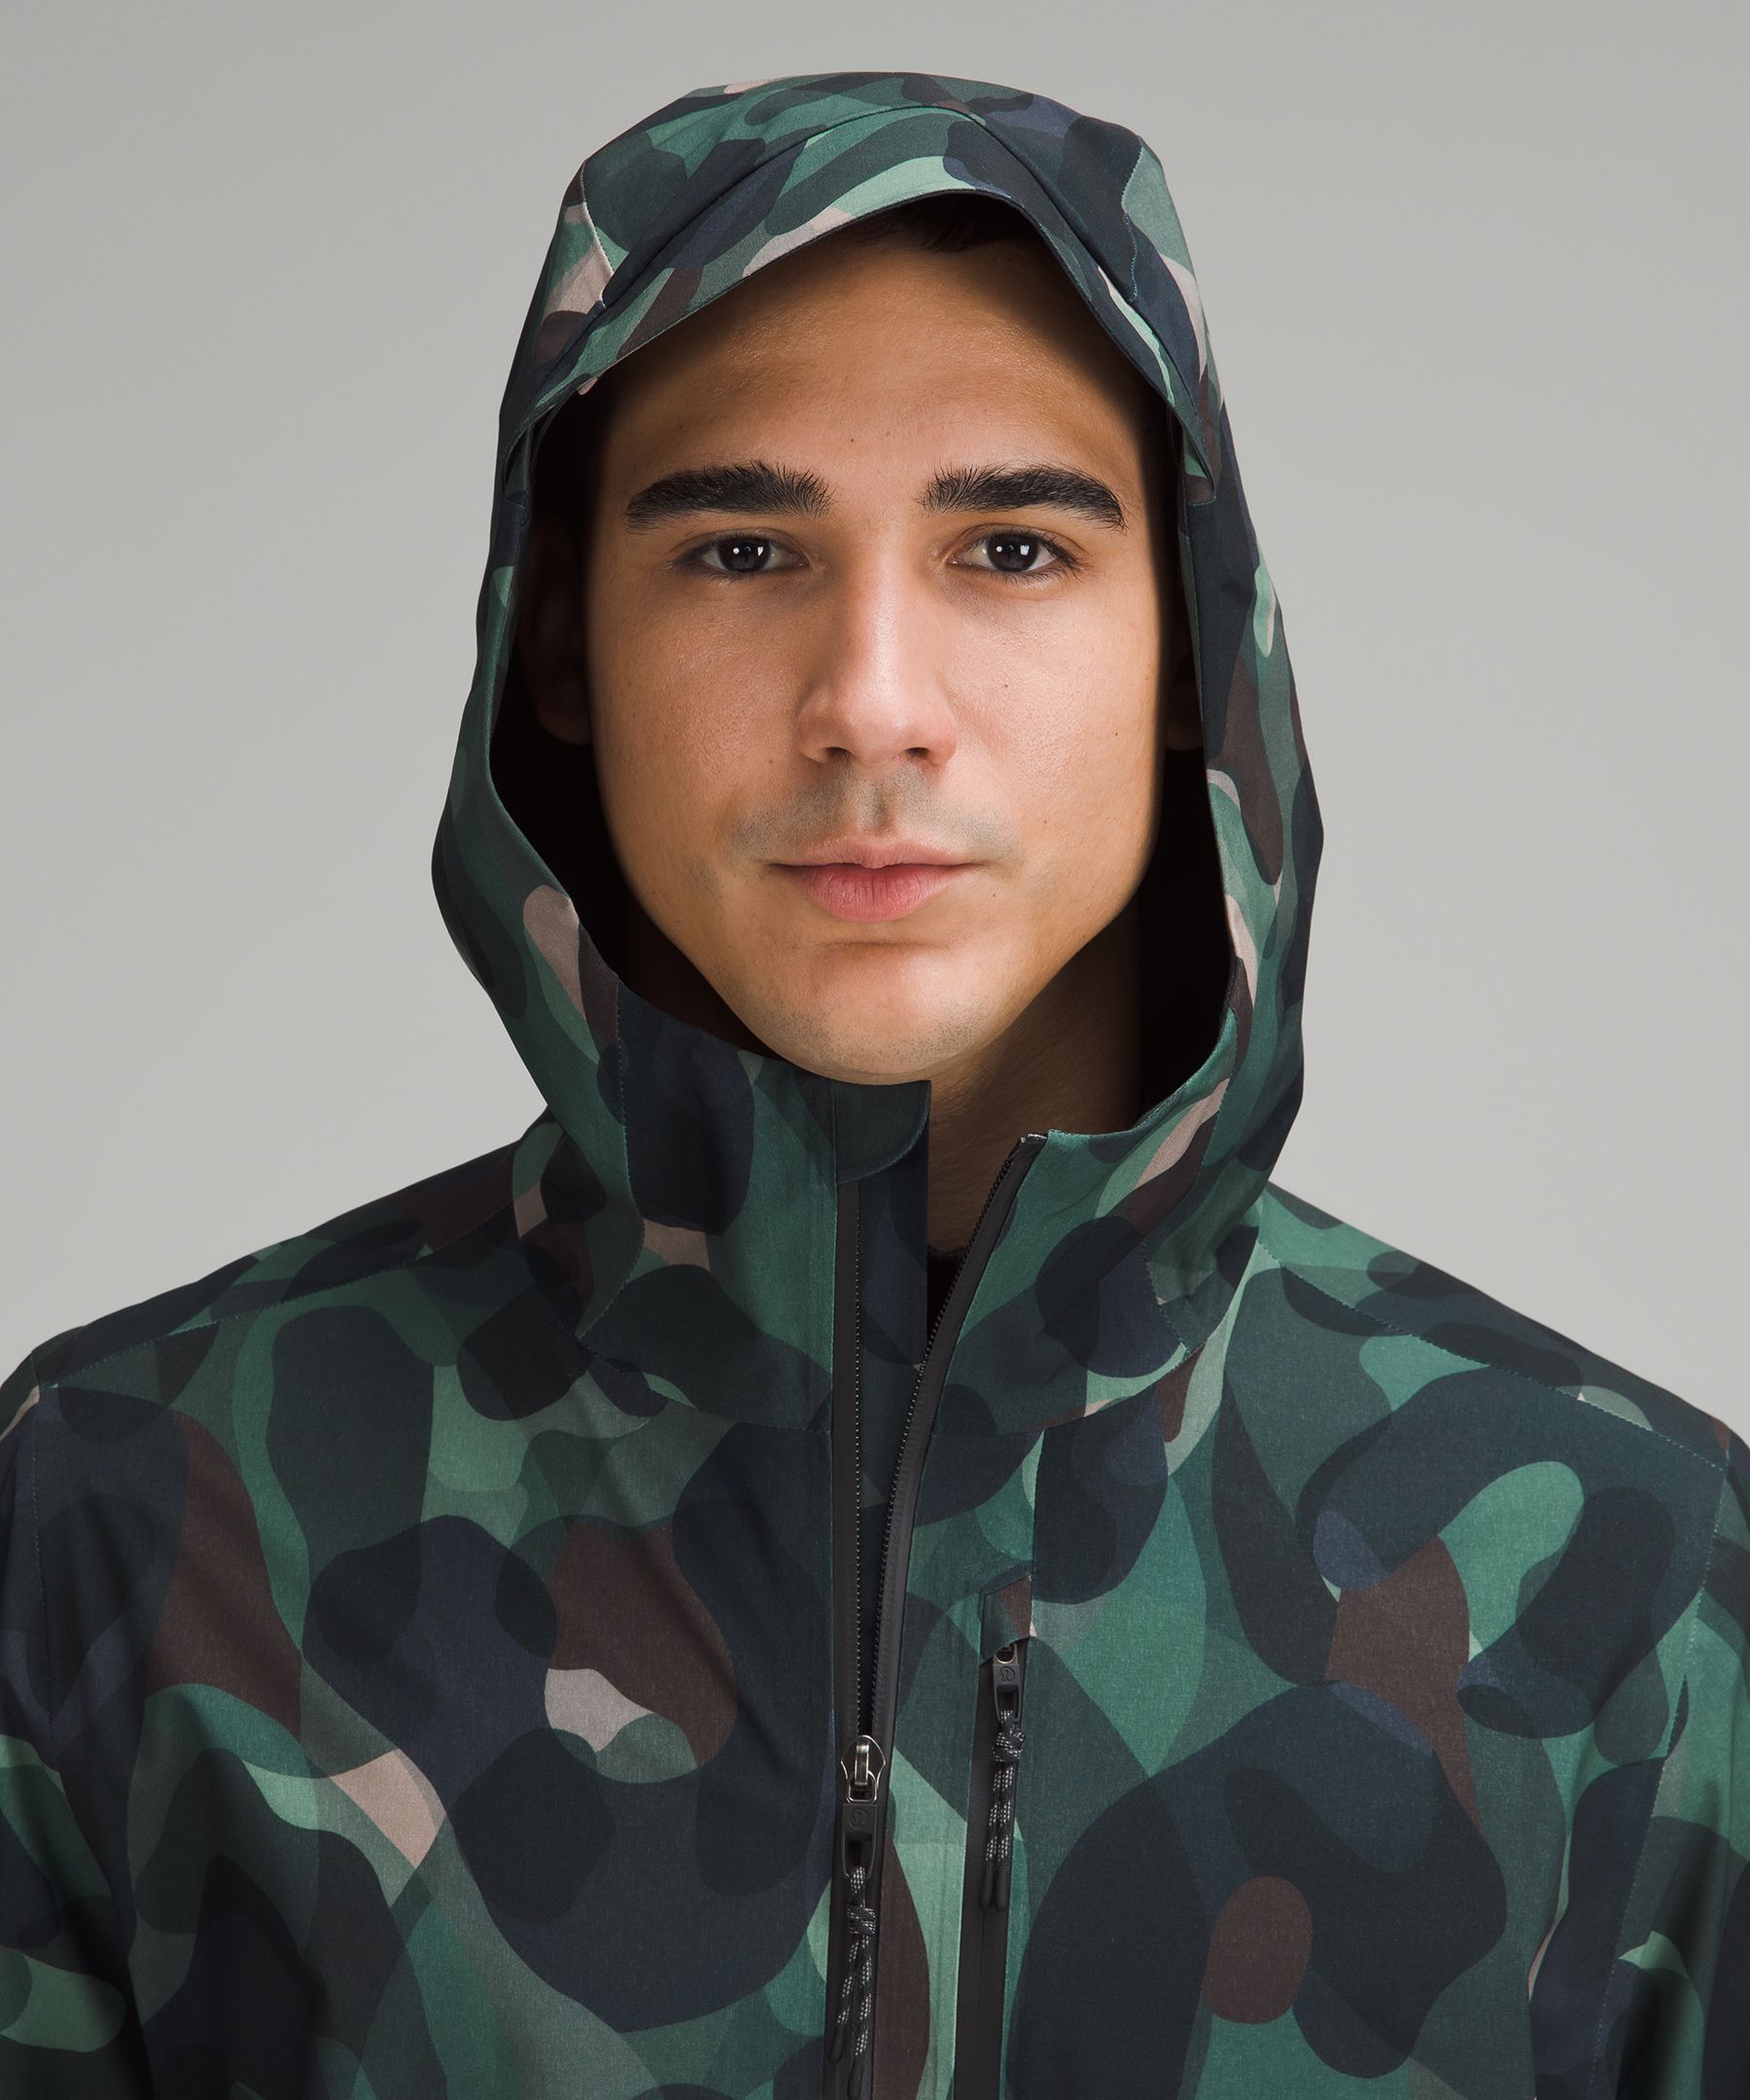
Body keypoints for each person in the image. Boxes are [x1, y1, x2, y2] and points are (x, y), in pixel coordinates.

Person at [1, 68, 1742, 2100]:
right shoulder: (132, 1519)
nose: (872, 705)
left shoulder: (1646, 1593)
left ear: (1190, 650)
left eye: (1011, 546)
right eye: (743, 548)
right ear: (559, 646)